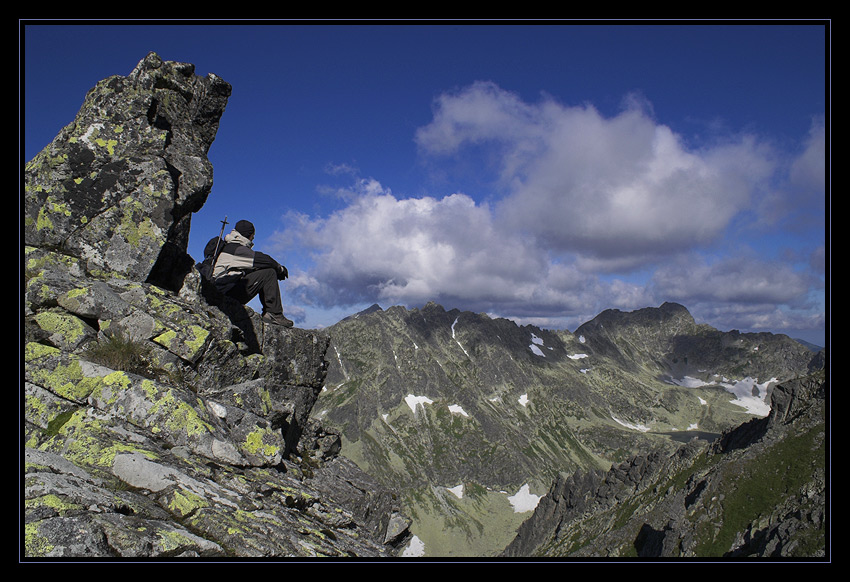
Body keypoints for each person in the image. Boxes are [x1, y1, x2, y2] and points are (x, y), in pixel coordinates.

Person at [205, 219, 294, 327]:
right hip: (225, 297)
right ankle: (274, 314)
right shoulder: (237, 249)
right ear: (249, 235)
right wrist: (280, 269)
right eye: (253, 235)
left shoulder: (227, 247)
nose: (254, 238)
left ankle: (272, 314)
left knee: (259, 271)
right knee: (269, 273)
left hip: (217, 292)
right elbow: (264, 260)